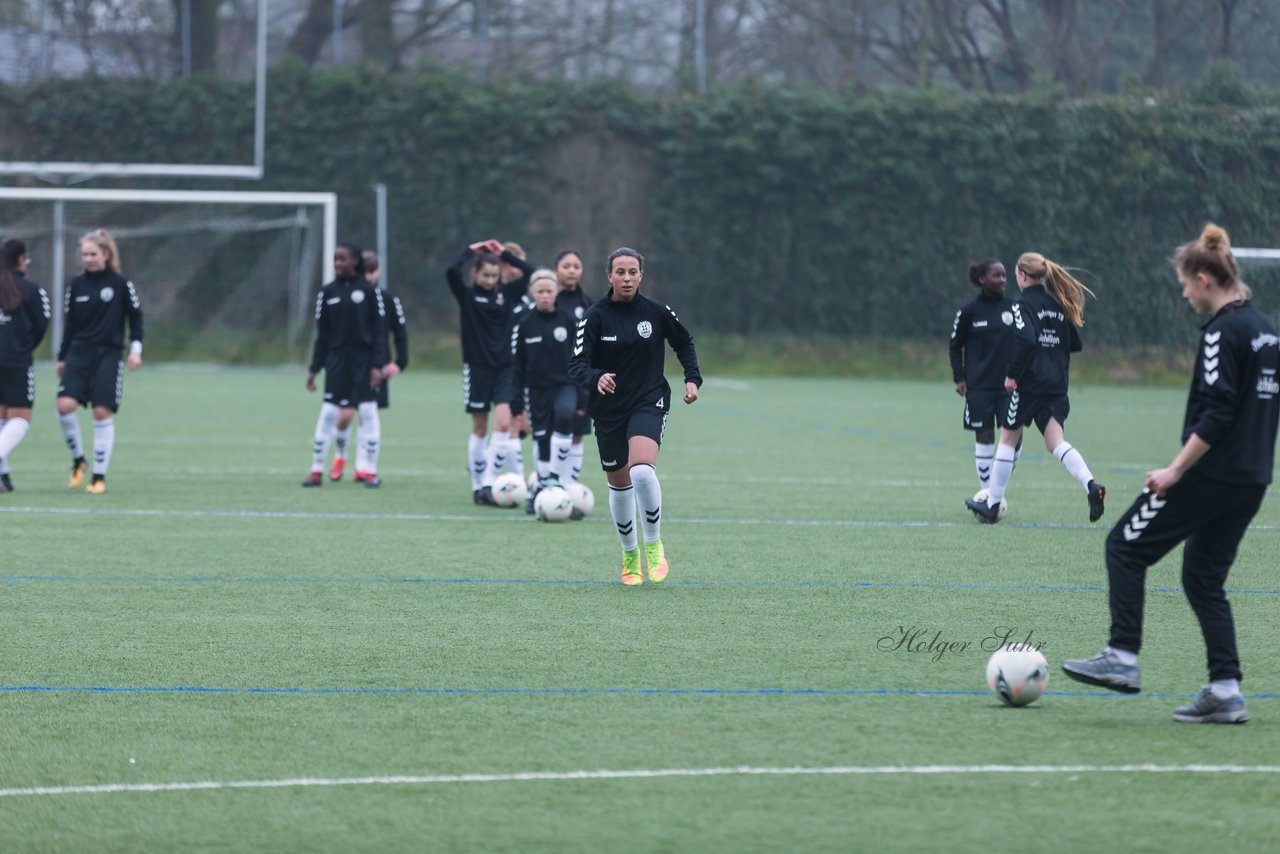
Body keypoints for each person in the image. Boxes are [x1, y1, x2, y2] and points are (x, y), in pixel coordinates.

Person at [1062, 224, 1279, 724]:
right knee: (1203, 579)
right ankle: (1225, 691)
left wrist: (1175, 469)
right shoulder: (1267, 329)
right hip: (1251, 478)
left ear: (1205, 278)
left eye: (1185, 283)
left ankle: (1122, 656)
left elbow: (1219, 411)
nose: (1183, 293)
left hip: (1210, 474)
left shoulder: (1222, 332)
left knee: (1124, 546)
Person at [567, 247, 702, 586]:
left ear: (642, 275)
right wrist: (596, 377)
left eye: (633, 272)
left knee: (642, 471)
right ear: (609, 276)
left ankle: (654, 545)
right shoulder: (594, 317)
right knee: (621, 483)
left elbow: (683, 342)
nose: (627, 278)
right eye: (620, 272)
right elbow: (576, 364)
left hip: (648, 399)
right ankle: (629, 555)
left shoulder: (656, 312)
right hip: (609, 410)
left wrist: (692, 378)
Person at [965, 252, 1105, 524]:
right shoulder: (1057, 303)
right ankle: (1092, 485)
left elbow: (1028, 340)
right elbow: (1075, 344)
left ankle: (992, 505)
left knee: (1007, 438)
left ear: (1022, 275)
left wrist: (1012, 376)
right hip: (1056, 385)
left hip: (1030, 384)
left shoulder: (1020, 306)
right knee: (1056, 442)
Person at [55, 229, 144, 494]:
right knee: (64, 405)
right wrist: (62, 357)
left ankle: (99, 475)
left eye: (93, 254)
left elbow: (136, 318)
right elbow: (70, 326)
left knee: (101, 411)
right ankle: (79, 460)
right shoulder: (77, 285)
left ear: (106, 254)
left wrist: (135, 350)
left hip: (108, 354)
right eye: (84, 254)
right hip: (79, 353)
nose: (88, 259)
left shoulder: (120, 284)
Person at [446, 238, 533, 505]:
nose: (490, 279)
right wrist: (471, 250)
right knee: (480, 428)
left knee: (505, 424)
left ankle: (489, 481)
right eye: (485, 274)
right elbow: (451, 271)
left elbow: (529, 273)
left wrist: (503, 253)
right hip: (477, 369)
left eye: (495, 275)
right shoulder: (468, 296)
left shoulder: (507, 294)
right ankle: (477, 487)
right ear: (475, 273)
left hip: (505, 369)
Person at [302, 242, 393, 489]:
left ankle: (370, 471)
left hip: (364, 363)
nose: (338, 263)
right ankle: (316, 470)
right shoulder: (326, 293)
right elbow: (322, 336)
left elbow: (379, 333)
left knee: (368, 413)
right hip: (337, 362)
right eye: (335, 259)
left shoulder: (370, 292)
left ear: (355, 261)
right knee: (329, 413)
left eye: (343, 259)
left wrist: (377, 365)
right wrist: (314, 368)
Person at [329, 250, 407, 483]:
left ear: (378, 272)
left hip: (375, 367)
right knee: (344, 416)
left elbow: (400, 332)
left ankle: (364, 467)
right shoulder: (349, 297)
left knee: (367, 416)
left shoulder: (388, 299)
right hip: (349, 366)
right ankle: (340, 455)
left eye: (373, 272)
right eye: (366, 272)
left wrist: (400, 362)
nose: (370, 277)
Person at [512, 268, 585, 512]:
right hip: (536, 390)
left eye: (549, 291)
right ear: (532, 293)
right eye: (540, 291)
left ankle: (555, 479)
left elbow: (582, 359)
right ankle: (542, 489)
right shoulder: (524, 324)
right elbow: (518, 366)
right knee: (542, 439)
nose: (545, 296)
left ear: (557, 292)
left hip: (565, 385)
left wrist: (584, 400)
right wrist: (516, 404)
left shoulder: (569, 321)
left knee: (564, 415)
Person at [949, 258, 1020, 497]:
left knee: (1014, 439)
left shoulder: (1014, 308)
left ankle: (995, 490)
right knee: (985, 436)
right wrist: (959, 377)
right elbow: (954, 345)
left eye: (1004, 275)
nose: (1002, 280)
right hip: (978, 386)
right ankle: (986, 494)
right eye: (996, 275)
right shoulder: (968, 312)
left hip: (1009, 386)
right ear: (982, 279)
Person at [0, 238, 50, 493]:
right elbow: (42, 325)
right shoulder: (31, 289)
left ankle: (3, 477)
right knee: (20, 418)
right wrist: (23, 345)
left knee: (1, 418)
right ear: (21, 259)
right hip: (16, 361)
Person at [553, 250, 593, 482]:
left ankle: (569, 485)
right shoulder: (548, 299)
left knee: (578, 432)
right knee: (551, 431)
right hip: (552, 378)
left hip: (580, 378)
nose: (571, 270)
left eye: (576, 266)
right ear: (556, 268)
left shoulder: (588, 303)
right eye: (566, 266)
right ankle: (548, 481)